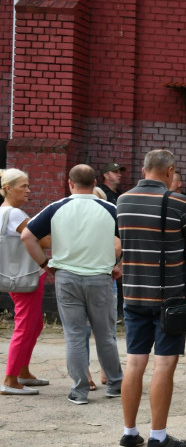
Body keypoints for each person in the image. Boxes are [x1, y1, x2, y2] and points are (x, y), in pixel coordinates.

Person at [117, 149, 186, 447]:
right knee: (164, 364)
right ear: (169, 171)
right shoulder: (179, 202)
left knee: (134, 362)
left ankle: (129, 434)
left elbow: (121, 241)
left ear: (144, 170)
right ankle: (158, 437)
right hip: (170, 297)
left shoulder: (122, 200)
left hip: (133, 294)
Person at [21, 165, 123, 404]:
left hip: (66, 277)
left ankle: (79, 391)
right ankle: (115, 384)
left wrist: (46, 264)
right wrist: (120, 265)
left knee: (75, 335)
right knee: (105, 334)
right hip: (100, 277)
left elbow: (27, 236)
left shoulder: (56, 208)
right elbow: (130, 238)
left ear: (70, 183)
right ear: (95, 182)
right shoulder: (110, 208)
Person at [1, 169, 47, 395]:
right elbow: (43, 239)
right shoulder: (16, 215)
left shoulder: (2, 213)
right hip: (26, 276)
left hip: (15, 275)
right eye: (23, 186)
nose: (29, 190)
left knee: (34, 323)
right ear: (8, 188)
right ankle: (10, 379)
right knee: (26, 324)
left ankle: (23, 371)